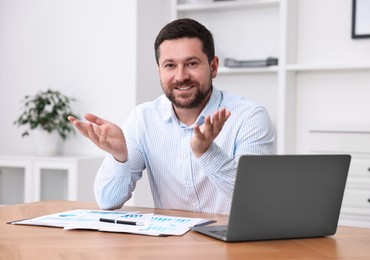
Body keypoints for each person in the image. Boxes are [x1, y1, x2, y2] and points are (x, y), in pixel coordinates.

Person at [68, 18, 275, 214]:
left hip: (234, 246)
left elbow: (254, 198)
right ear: (159, 70)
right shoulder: (143, 119)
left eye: (192, 63)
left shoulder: (249, 117)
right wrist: (119, 158)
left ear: (213, 67)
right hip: (172, 246)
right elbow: (107, 201)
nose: (181, 76)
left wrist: (207, 153)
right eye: (170, 65)